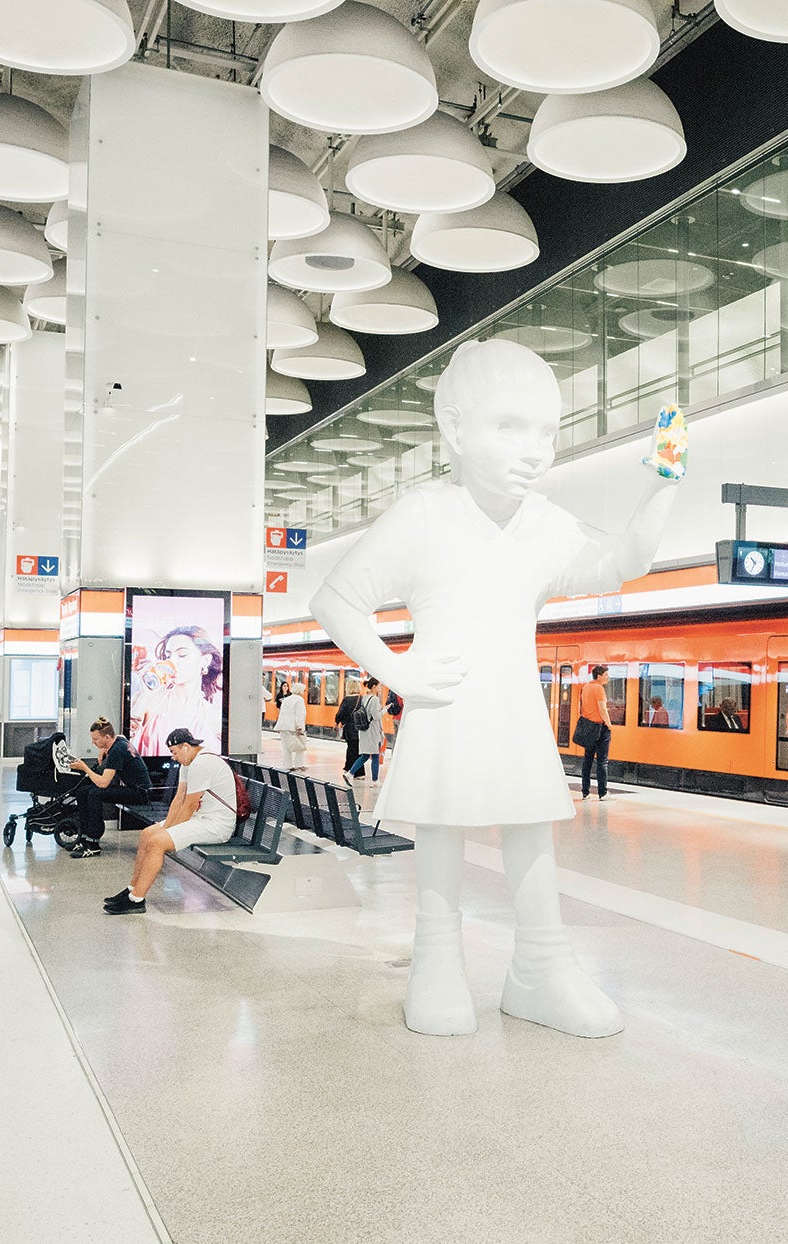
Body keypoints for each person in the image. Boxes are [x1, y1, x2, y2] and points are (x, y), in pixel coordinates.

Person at [311, 338, 681, 1038]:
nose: (535, 450)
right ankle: (438, 956)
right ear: (453, 427)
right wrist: (399, 673)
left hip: (512, 702)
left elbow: (618, 563)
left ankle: (541, 964)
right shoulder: (424, 514)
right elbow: (337, 600)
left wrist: (661, 486)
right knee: (444, 823)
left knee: (528, 822)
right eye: (509, 427)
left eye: (546, 430)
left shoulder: (545, 524)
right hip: (446, 697)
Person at [105, 728, 238, 914]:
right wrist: (166, 827)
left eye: (174, 752)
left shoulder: (202, 763)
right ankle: (131, 890)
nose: (173, 757)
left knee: (157, 842)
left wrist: (166, 832)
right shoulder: (188, 764)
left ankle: (136, 900)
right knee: (147, 834)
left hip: (216, 825)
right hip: (200, 819)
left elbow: (189, 805)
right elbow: (179, 798)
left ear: (185, 747)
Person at [64, 717, 152, 859]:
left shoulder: (117, 750)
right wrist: (104, 748)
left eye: (96, 739)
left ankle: (93, 844)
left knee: (95, 793)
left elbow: (103, 783)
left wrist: (84, 767)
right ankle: (84, 838)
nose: (93, 742)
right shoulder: (119, 741)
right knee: (82, 791)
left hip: (140, 793)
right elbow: (120, 735)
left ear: (106, 737)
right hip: (135, 788)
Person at [130, 625, 223, 757]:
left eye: (182, 655)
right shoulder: (151, 699)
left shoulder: (212, 716)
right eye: (168, 655)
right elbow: (124, 740)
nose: (172, 661)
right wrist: (145, 694)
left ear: (205, 661)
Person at [577, 664, 612, 800]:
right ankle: (602, 793)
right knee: (602, 761)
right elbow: (602, 709)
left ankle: (585, 792)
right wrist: (609, 725)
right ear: (599, 676)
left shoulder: (586, 688)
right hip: (599, 728)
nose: (608, 678)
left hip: (588, 727)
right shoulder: (599, 689)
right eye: (606, 675)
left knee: (588, 761)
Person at [346, 676, 386, 793]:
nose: (380, 688)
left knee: (367, 755)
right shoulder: (374, 699)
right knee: (374, 755)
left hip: (365, 731)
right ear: (374, 686)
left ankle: (351, 774)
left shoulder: (365, 698)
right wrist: (384, 710)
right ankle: (373, 780)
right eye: (379, 686)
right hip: (372, 732)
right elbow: (376, 716)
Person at [276, 680, 308, 770]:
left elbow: (282, 713)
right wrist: (300, 727)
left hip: (283, 726)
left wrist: (279, 725)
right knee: (300, 746)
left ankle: (288, 766)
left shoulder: (286, 699)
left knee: (286, 748)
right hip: (293, 727)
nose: (304, 692)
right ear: (300, 690)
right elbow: (299, 715)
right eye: (304, 690)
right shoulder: (299, 700)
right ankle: (299, 764)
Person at [334, 680, 362, 778]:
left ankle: (349, 769)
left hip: (350, 729)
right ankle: (359, 773)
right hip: (361, 729)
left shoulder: (346, 700)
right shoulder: (361, 699)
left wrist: (337, 722)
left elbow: (340, 713)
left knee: (351, 749)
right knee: (359, 750)